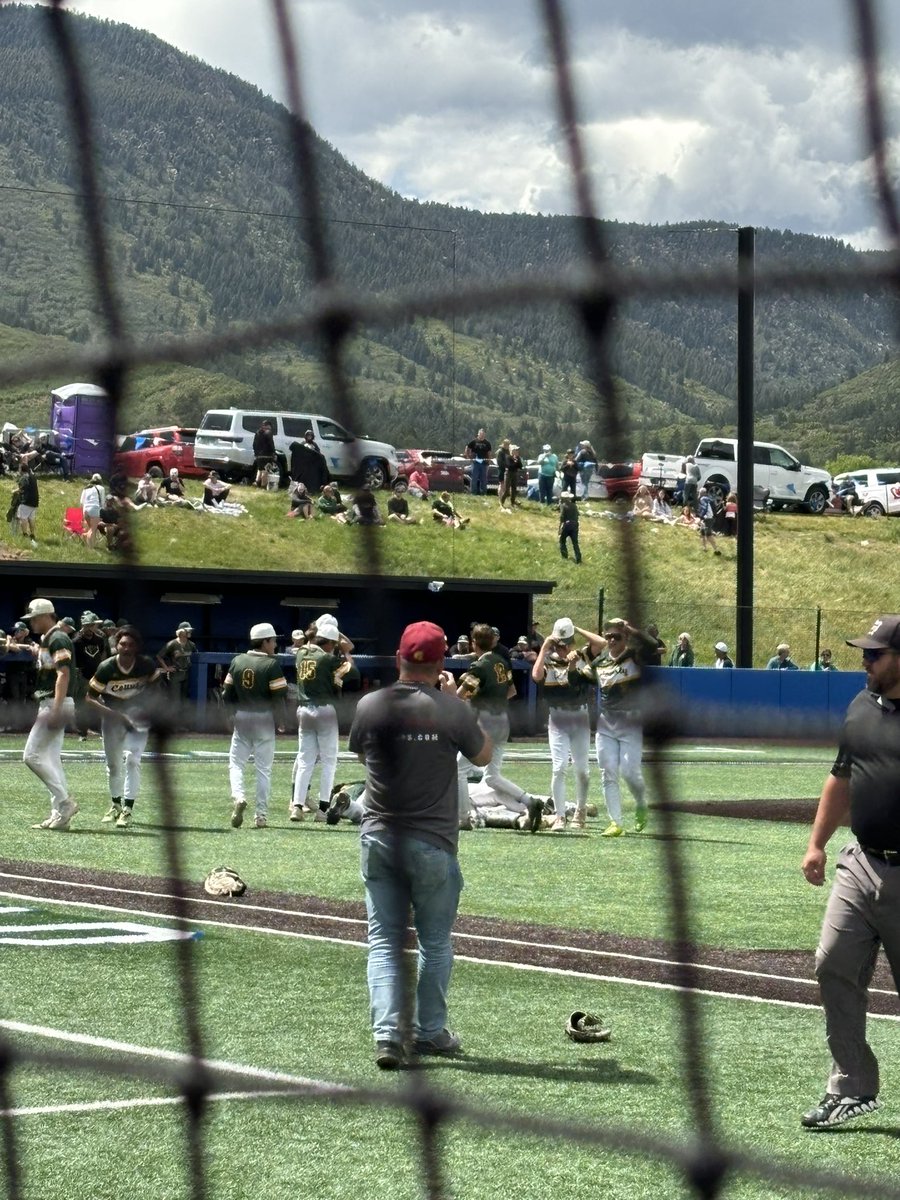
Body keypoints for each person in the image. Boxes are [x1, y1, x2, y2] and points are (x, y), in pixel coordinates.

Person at [349, 620, 491, 1069]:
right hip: (432, 840)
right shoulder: (452, 710)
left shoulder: (371, 704)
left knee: (384, 941)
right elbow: (484, 755)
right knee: (434, 942)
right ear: (442, 662)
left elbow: (362, 754)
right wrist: (455, 702)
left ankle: (387, 1035)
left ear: (398, 658)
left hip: (379, 835)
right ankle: (430, 1032)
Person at [799, 614, 900, 1130]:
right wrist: (817, 844)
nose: (865, 661)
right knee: (832, 963)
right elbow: (841, 777)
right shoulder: (860, 706)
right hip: (861, 863)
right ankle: (852, 1085)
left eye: (875, 654)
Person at [456, 623, 541, 831]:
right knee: (492, 777)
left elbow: (460, 695)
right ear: (493, 642)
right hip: (502, 722)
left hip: (484, 724)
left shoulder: (479, 666)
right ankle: (529, 801)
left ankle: (464, 817)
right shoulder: (501, 662)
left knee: (458, 770)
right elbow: (512, 692)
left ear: (474, 643)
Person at [580, 619, 654, 836]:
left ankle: (641, 803)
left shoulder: (634, 656)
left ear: (625, 638)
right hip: (606, 723)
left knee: (630, 773)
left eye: (617, 636)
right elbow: (580, 679)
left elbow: (651, 644)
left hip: (630, 722)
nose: (612, 640)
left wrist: (630, 629)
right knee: (608, 772)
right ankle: (616, 823)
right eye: (609, 636)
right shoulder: (601, 662)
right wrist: (574, 663)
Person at [86, 626, 163, 828]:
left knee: (132, 760)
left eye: (130, 644)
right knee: (113, 765)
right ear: (116, 645)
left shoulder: (146, 665)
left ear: (137, 647)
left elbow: (157, 691)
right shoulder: (106, 668)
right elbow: (90, 698)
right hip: (112, 719)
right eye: (122, 644)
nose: (126, 648)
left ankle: (128, 809)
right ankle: (115, 805)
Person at [222, 621, 288, 830]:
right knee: (263, 770)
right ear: (264, 641)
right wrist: (281, 720)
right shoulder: (271, 665)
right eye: (273, 640)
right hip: (264, 718)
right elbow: (279, 697)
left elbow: (226, 693)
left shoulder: (237, 660)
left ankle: (239, 796)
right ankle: (261, 816)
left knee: (236, 763)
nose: (275, 644)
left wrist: (229, 714)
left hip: (242, 716)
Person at [20, 598, 78, 830]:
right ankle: (60, 815)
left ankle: (64, 802)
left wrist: (55, 709)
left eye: (34, 618)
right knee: (51, 759)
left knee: (31, 756)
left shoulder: (58, 638)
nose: (31, 622)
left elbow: (63, 674)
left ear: (46, 616)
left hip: (55, 703)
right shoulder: (50, 638)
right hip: (54, 702)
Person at [531, 617, 593, 832]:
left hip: (579, 717)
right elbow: (536, 676)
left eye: (566, 644)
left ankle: (580, 810)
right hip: (557, 717)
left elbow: (601, 644)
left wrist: (577, 630)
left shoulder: (581, 657)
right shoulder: (548, 660)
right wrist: (544, 647)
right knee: (558, 768)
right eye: (559, 645)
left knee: (582, 770)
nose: (563, 649)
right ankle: (559, 816)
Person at [290, 615, 355, 822]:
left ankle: (297, 806)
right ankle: (323, 809)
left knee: (304, 760)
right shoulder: (328, 659)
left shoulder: (301, 653)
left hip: (303, 710)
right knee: (329, 761)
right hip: (324, 710)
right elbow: (351, 670)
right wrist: (345, 651)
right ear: (328, 642)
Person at [157, 621, 198, 705]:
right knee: (175, 700)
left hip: (186, 674)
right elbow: (159, 656)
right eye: (188, 630)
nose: (190, 632)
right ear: (181, 632)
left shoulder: (191, 645)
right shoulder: (172, 644)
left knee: (184, 699)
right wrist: (166, 668)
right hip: (176, 675)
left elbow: (197, 656)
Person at [16, 461, 39, 548]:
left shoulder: (24, 478)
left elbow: (22, 488)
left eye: (19, 468)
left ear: (21, 470)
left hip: (26, 501)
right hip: (34, 501)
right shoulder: (33, 476)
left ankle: (25, 534)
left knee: (23, 518)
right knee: (31, 518)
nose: (18, 470)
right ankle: (32, 534)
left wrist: (14, 491)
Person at [79, 473, 106, 546]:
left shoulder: (86, 488)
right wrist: (102, 512)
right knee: (92, 530)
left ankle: (85, 540)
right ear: (100, 480)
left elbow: (81, 502)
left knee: (89, 527)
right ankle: (90, 548)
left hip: (85, 510)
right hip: (94, 509)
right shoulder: (101, 488)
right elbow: (102, 502)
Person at [465, 428, 492, 496]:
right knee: (474, 478)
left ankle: (483, 493)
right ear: (478, 434)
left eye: (483, 434)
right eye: (481, 434)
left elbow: (489, 453)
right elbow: (467, 448)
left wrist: (489, 461)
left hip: (484, 463)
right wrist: (468, 457)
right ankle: (473, 492)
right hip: (475, 462)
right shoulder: (474, 442)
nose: (482, 435)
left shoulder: (487, 443)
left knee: (483, 479)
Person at [558, 490, 582, 563]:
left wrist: (559, 528)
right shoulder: (574, 505)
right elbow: (577, 515)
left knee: (562, 540)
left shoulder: (563, 506)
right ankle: (578, 558)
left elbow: (562, 518)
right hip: (575, 524)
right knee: (575, 543)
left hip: (567, 525)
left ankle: (564, 556)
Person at [253, 421, 276, 488]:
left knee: (260, 469)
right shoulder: (269, 432)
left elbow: (254, 444)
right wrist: (273, 452)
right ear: (268, 426)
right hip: (267, 455)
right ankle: (263, 486)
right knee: (265, 471)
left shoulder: (258, 432)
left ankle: (257, 483)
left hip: (259, 455)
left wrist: (256, 453)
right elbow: (271, 444)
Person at [697, 488, 721, 554]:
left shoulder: (703, 499)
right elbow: (715, 509)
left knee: (708, 535)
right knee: (702, 533)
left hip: (707, 519)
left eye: (699, 493)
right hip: (711, 518)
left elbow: (704, 508)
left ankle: (716, 550)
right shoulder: (710, 499)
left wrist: (701, 516)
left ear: (702, 493)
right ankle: (704, 549)